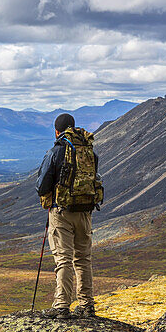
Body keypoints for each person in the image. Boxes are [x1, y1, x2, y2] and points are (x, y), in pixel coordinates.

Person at [35, 112, 97, 319]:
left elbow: (42, 185)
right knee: (83, 259)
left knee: (64, 260)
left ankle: (62, 305)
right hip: (85, 212)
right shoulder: (88, 150)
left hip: (61, 212)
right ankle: (87, 305)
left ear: (57, 131)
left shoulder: (56, 151)